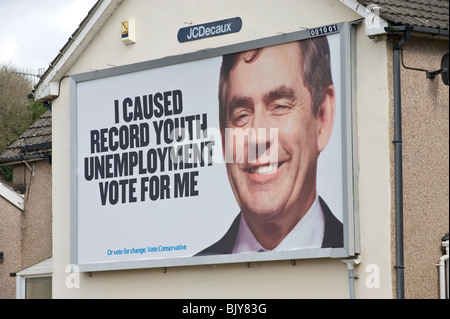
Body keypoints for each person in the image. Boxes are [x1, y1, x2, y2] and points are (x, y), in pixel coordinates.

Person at [197, 36, 343, 256]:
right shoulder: (190, 277)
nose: (257, 137)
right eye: (242, 115)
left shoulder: (372, 256)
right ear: (224, 140)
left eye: (280, 106)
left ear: (322, 117)